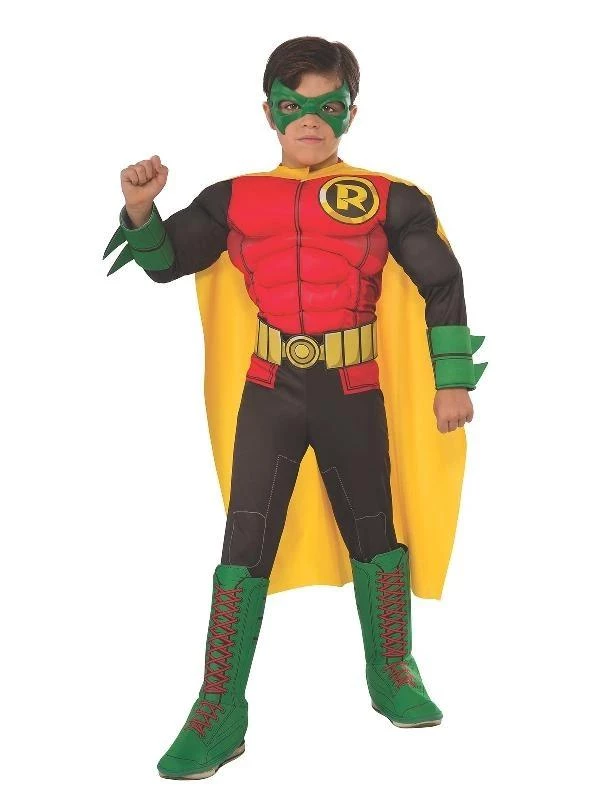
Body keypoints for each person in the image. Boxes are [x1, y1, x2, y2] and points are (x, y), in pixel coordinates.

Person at [103, 36, 487, 780]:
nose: (310, 119)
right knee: (244, 542)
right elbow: (168, 262)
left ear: (350, 112)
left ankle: (393, 670)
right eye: (294, 104)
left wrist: (451, 380)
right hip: (269, 388)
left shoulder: (390, 197)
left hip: (354, 388)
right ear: (270, 112)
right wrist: (141, 209)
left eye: (328, 105)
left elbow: (441, 279)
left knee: (374, 529)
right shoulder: (233, 198)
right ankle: (219, 706)